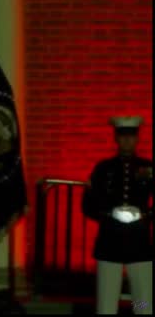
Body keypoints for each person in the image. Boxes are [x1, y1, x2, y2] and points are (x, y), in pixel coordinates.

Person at [82, 116, 152, 315]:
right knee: (106, 305)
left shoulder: (148, 168)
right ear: (116, 138)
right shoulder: (103, 169)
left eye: (131, 136)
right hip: (109, 241)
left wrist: (146, 215)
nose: (127, 141)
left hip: (139, 243)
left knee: (143, 303)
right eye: (123, 136)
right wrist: (108, 214)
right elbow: (88, 205)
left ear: (137, 139)